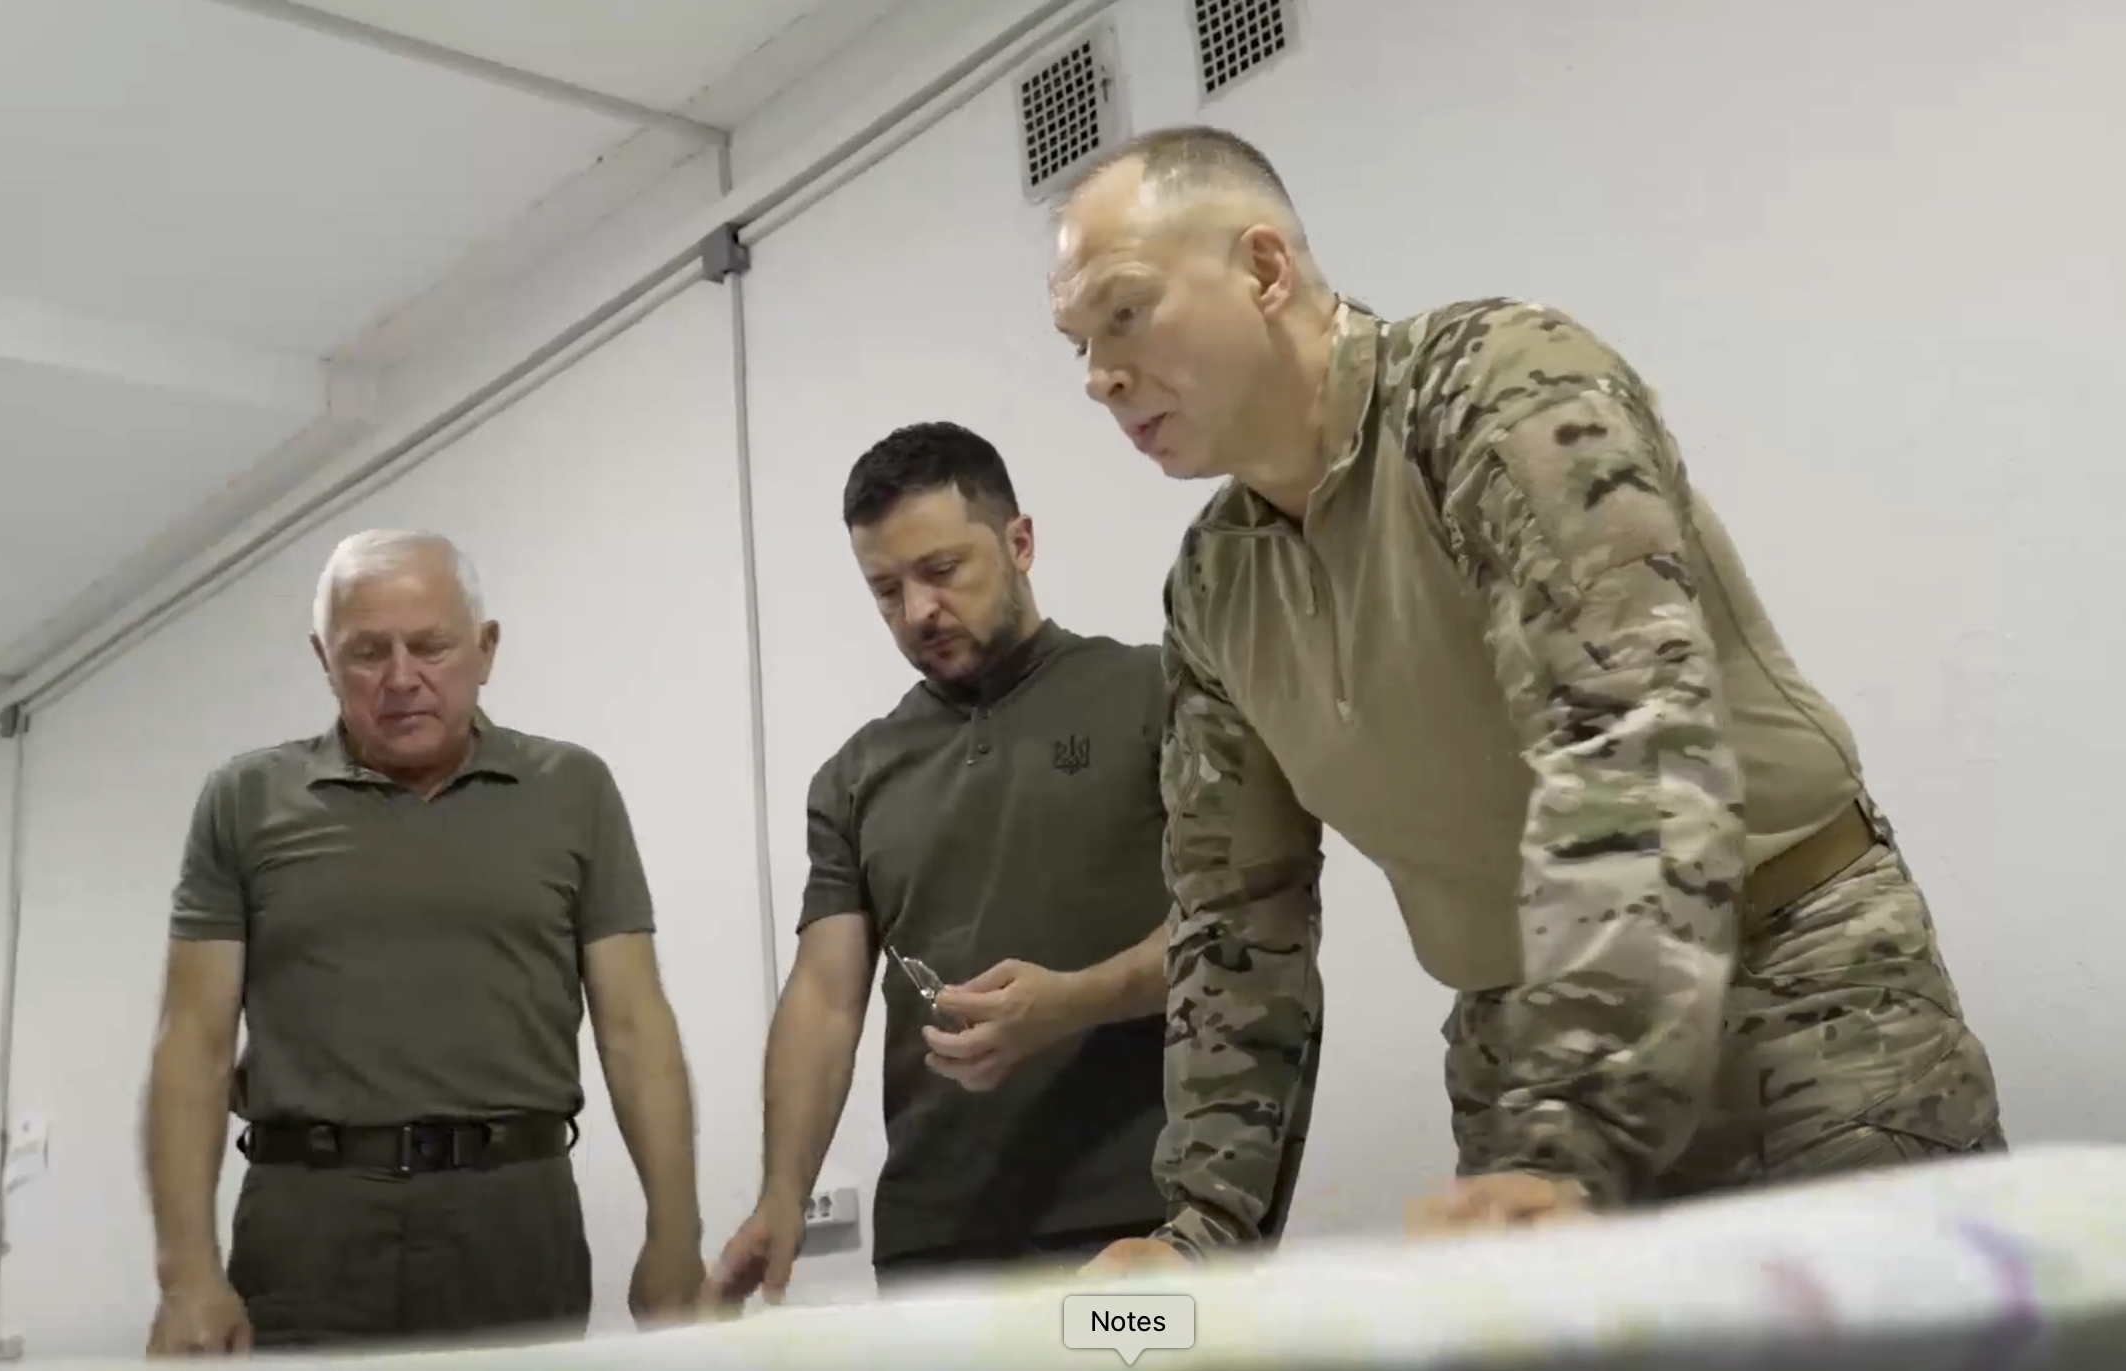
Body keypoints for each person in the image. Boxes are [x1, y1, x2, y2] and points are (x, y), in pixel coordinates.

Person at [1043, 127, 2007, 1270]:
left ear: (1263, 270)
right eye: (1074, 345)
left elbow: (1626, 751)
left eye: (1122, 314)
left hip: (1796, 1000)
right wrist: (1198, 1235)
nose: (1098, 376)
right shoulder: (1212, 588)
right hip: (1523, 1063)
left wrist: (1566, 1144)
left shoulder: (1498, 386)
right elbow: (1231, 922)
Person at [703, 422, 1291, 1302]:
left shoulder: (1159, 691)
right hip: (934, 1253)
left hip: (1147, 1234)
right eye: (885, 590)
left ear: (1019, 541)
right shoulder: (854, 776)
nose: (917, 612)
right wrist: (783, 1192)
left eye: (942, 571)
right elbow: (826, 995)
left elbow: (1243, 922)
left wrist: (1073, 1001)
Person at [140, 529, 705, 1352]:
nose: (401, 678)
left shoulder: (572, 789)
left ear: (486, 649)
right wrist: (186, 1270)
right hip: (309, 1222)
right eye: (367, 652)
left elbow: (634, 1023)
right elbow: (191, 1042)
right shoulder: (244, 799)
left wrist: (676, 1233)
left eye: (430, 646)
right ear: (323, 659)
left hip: (514, 1215)